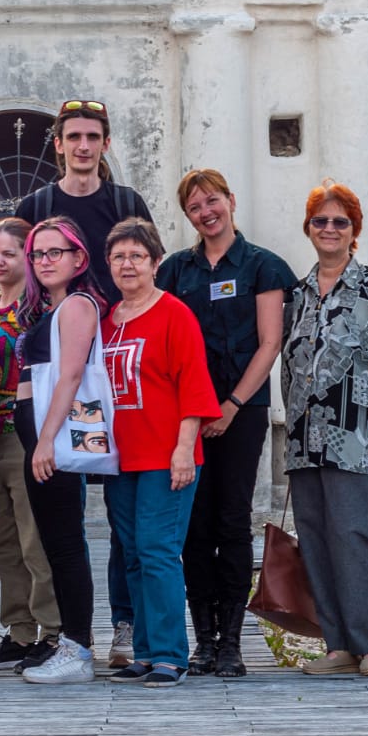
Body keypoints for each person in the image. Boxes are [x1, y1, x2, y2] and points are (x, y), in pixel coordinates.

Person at [14, 99, 153, 667]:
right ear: (59, 144)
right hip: (62, 385)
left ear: (106, 143)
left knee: (122, 519)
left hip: (114, 370)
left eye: (93, 136)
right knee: (58, 529)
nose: (83, 145)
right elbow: (21, 269)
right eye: (73, 136)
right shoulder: (38, 206)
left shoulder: (125, 203)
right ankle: (62, 635)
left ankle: (120, 628)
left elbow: (146, 270)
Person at [156, 169, 297, 677]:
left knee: (233, 522)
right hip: (185, 418)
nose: (206, 212)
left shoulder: (262, 266)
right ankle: (203, 639)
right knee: (193, 526)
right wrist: (193, 415)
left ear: (230, 201)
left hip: (242, 413)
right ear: (188, 215)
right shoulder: (175, 271)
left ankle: (232, 641)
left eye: (212, 201)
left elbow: (269, 342)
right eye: (195, 206)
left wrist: (233, 404)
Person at [281, 182, 368, 677]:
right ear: (308, 229)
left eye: (340, 221)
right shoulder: (296, 295)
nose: (330, 229)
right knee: (315, 539)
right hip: (303, 441)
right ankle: (336, 645)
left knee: (356, 537)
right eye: (321, 221)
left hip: (358, 438)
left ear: (354, 229)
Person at [100, 219, 222, 689]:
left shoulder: (174, 314)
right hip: (120, 458)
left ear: (154, 262)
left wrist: (184, 449)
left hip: (165, 455)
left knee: (158, 552)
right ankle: (146, 652)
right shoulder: (109, 320)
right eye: (118, 257)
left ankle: (171, 654)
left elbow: (193, 385)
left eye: (137, 256)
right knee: (132, 554)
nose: (127, 264)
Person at [15, 216, 108, 684]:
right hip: (38, 436)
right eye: (38, 254)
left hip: (51, 437)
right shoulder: (50, 308)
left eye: (56, 252)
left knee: (67, 543)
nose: (46, 261)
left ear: (78, 258)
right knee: (55, 542)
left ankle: (78, 649)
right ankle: (71, 643)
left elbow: (72, 376)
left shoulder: (76, 305)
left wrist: (46, 440)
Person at [0, 217, 63, 673]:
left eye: (9, 252)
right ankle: (19, 629)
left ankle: (51, 631)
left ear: (27, 257)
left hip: (27, 436)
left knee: (34, 540)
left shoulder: (42, 311)